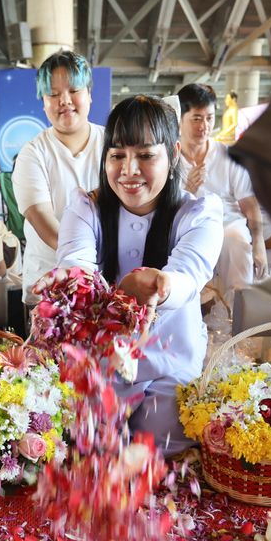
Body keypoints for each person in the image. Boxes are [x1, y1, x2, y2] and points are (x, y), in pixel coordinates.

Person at [57, 96, 223, 457]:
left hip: (171, 361)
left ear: (173, 154)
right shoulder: (86, 208)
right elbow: (75, 267)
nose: (129, 170)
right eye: (117, 155)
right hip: (98, 363)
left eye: (145, 155)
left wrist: (160, 288)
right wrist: (114, 295)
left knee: (162, 449)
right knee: (90, 448)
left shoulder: (198, 214)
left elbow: (189, 272)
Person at [12, 50, 104, 305]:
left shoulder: (113, 145)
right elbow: (42, 220)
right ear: (43, 101)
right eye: (53, 94)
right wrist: (82, 265)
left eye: (74, 90)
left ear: (89, 94)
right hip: (48, 288)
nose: (64, 100)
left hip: (105, 282)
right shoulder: (33, 154)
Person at [177, 83, 267, 306]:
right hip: (187, 226)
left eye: (209, 118)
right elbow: (164, 208)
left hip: (227, 223)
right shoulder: (169, 158)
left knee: (236, 240)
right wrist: (187, 190)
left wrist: (259, 242)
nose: (204, 126)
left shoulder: (227, 156)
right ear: (180, 119)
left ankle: (240, 324)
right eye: (196, 119)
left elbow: (249, 203)